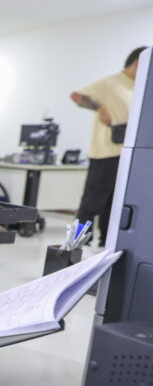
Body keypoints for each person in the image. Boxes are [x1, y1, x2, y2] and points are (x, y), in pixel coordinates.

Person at [70, 46, 146, 247]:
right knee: (91, 203)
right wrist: (100, 108)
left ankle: (106, 244)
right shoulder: (111, 83)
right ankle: (76, 244)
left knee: (114, 204)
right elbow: (77, 96)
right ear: (138, 63)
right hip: (106, 153)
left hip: (128, 154)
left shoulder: (138, 85)